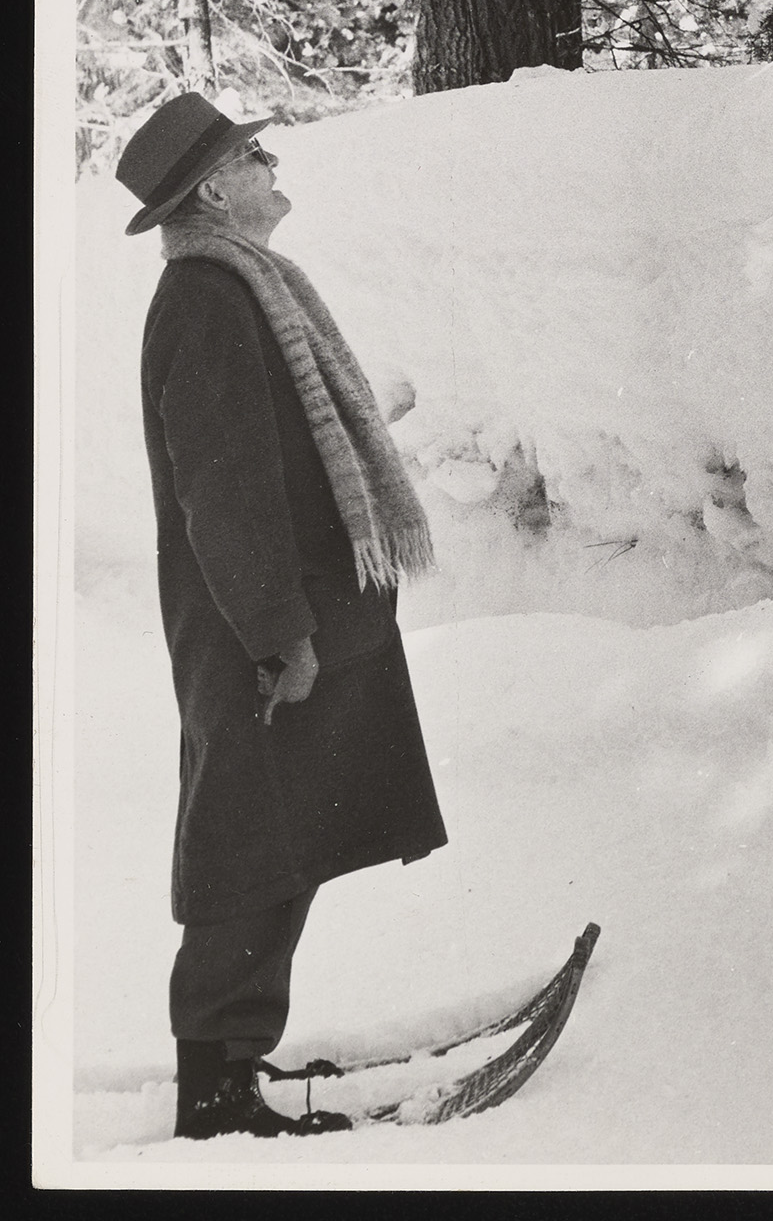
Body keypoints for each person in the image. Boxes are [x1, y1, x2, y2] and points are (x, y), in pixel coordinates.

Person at [117, 91, 447, 1140]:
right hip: (259, 632)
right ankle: (215, 1085)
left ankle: (234, 1054)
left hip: (293, 620)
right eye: (252, 155)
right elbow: (224, 488)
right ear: (216, 191)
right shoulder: (208, 297)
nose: (271, 162)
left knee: (282, 839)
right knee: (250, 848)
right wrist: (277, 634)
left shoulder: (242, 284)